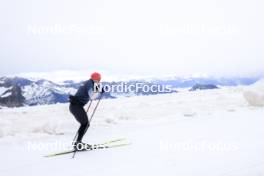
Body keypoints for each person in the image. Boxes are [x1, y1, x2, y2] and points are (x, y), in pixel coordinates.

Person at [69, 72, 103, 150]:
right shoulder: (90, 84)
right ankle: (78, 144)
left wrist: (99, 90)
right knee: (85, 124)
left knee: (85, 124)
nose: (99, 81)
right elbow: (93, 96)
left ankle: (78, 142)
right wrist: (99, 91)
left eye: (99, 79)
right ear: (95, 78)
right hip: (76, 107)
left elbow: (94, 92)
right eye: (98, 79)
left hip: (76, 106)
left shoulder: (89, 82)